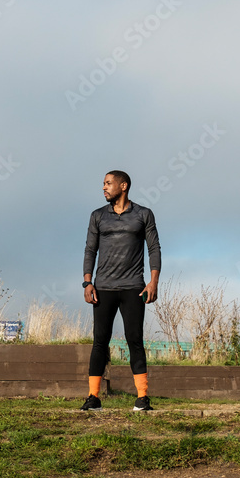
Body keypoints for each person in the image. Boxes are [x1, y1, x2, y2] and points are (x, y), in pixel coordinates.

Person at [81, 170, 161, 411]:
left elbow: (154, 248)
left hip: (133, 288)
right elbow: (90, 250)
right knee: (99, 342)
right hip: (103, 288)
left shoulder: (143, 214)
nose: (104, 188)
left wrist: (153, 282)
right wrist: (87, 282)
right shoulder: (97, 216)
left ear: (123, 186)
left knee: (134, 340)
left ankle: (142, 398)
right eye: (103, 184)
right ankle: (93, 398)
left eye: (108, 183)